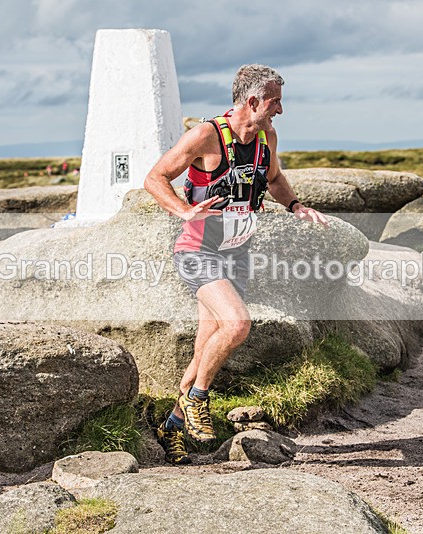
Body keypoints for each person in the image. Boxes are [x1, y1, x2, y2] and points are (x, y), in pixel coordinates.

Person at [144, 64, 329, 464]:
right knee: (238, 324)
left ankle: (172, 427)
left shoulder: (266, 137)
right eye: (275, 101)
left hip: (237, 254)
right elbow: (155, 177)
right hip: (198, 252)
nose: (280, 109)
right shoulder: (206, 136)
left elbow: (275, 179)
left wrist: (295, 205)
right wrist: (183, 210)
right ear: (253, 101)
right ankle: (197, 400)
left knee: (204, 350)